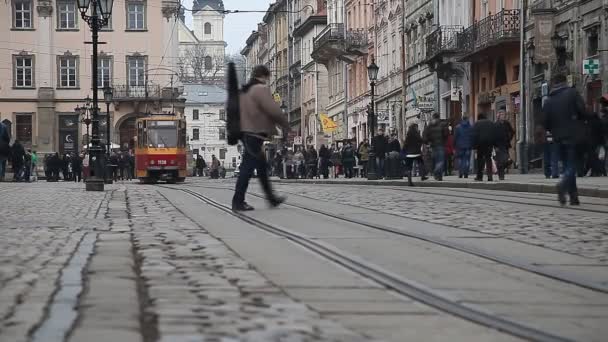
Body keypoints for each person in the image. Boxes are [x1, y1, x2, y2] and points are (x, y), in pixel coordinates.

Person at [231, 65, 288, 211]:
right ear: (263, 76)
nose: (267, 81)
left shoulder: (245, 90)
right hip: (254, 133)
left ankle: (271, 198)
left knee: (261, 168)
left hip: (246, 133)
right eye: (267, 78)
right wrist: (285, 124)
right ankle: (238, 201)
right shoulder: (259, 89)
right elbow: (272, 109)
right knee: (247, 168)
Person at [543, 72, 589, 205]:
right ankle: (562, 185)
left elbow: (545, 121)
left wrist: (553, 130)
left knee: (567, 164)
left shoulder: (549, 100)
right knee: (572, 165)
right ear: (565, 82)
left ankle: (574, 197)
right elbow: (582, 111)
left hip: (557, 137)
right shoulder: (572, 93)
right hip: (573, 135)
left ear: (554, 84)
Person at [423, 113, 449, 181]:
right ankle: (437, 172)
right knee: (441, 161)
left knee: (435, 160)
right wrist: (444, 140)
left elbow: (425, 134)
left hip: (433, 145)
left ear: (433, 117)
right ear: (439, 117)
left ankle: (438, 176)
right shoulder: (442, 124)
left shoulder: (430, 125)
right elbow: (446, 134)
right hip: (440, 145)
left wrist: (427, 142)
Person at [472, 113, 496, 182]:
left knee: (480, 160)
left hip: (480, 144)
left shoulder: (477, 124)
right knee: (488, 159)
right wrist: (494, 144)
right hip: (489, 144)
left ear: (479, 118)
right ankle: (490, 176)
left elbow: (474, 135)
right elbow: (494, 134)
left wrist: (474, 146)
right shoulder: (491, 123)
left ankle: (479, 176)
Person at [494, 110, 515, 180]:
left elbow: (512, 131)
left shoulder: (507, 123)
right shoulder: (495, 124)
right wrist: (494, 145)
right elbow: (493, 135)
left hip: (505, 144)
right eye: (501, 115)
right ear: (498, 116)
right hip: (498, 145)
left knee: (507, 160)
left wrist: (509, 138)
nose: (503, 116)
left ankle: (501, 170)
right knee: (500, 161)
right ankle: (501, 176)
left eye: (503, 115)